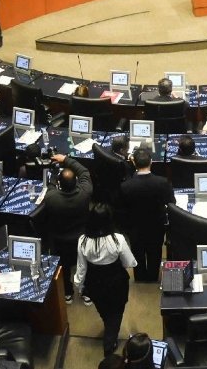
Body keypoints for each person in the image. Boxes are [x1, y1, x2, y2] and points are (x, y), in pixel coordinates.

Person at [74, 202, 137, 356]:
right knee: (116, 313)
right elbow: (130, 263)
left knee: (104, 311)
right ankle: (109, 344)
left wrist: (79, 285)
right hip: (116, 282)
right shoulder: (118, 239)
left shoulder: (83, 240)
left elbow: (81, 268)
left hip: (94, 283)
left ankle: (108, 327)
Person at [40, 152, 92, 303]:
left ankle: (67, 293)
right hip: (82, 239)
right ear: (76, 182)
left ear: (59, 184)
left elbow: (50, 186)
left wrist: (54, 176)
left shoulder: (51, 198)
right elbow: (84, 171)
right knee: (85, 265)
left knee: (64, 266)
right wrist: (65, 159)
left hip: (60, 240)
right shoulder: (85, 193)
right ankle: (86, 293)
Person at [119, 148, 173, 282]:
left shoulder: (125, 186)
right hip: (156, 226)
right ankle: (153, 277)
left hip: (134, 227)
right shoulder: (163, 182)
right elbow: (171, 203)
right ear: (151, 162)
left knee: (137, 252)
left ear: (134, 163)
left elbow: (122, 209)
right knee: (155, 252)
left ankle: (140, 277)